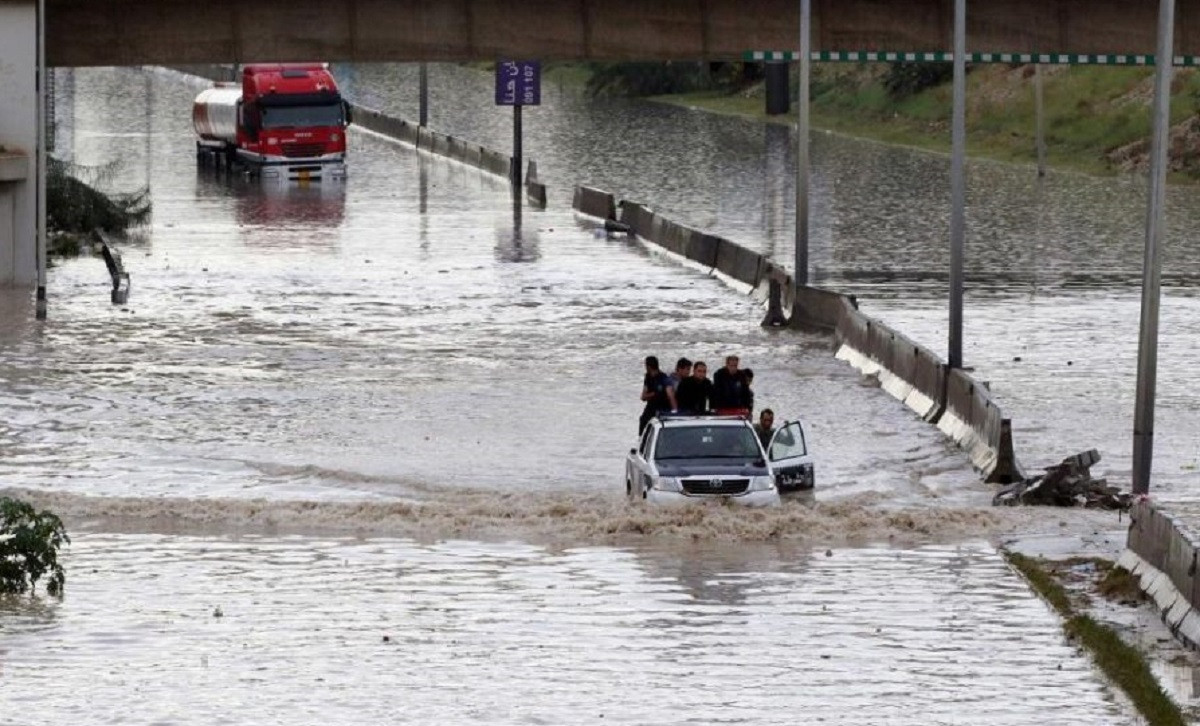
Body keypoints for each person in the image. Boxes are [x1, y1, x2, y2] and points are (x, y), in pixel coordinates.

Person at [639, 355, 677, 434]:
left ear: (648, 366)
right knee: (643, 420)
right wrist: (654, 393)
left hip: (663, 406)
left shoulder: (664, 378)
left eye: (645, 365)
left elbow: (670, 396)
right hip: (651, 406)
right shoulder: (648, 377)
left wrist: (674, 412)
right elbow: (643, 397)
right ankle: (641, 441)